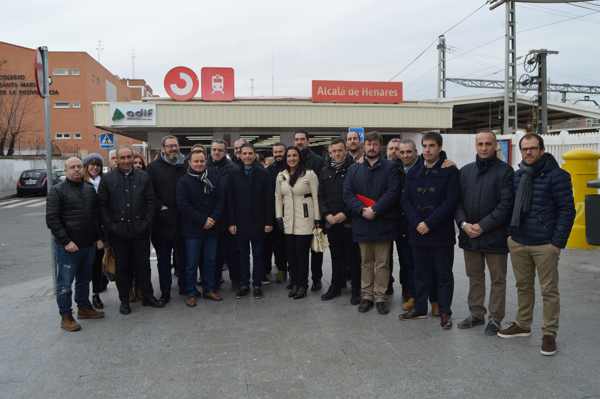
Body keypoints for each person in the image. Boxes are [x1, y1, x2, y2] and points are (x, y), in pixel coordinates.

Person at [498, 133, 575, 356]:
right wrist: (511, 236)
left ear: (541, 150)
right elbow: (511, 205)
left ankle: (549, 333)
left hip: (545, 244)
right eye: (525, 149)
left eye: (532, 148)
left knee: (549, 290)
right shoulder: (518, 175)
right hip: (519, 241)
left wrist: (556, 243)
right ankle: (522, 324)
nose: (528, 152)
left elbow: (567, 211)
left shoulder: (558, 176)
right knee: (523, 287)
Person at [454, 132, 514, 336]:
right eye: (480, 144)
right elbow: (457, 202)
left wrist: (482, 226)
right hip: (469, 235)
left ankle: (495, 319)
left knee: (498, 279)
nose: (484, 148)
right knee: (474, 276)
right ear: (475, 146)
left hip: (494, 236)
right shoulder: (465, 172)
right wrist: (463, 224)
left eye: (488, 144)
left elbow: (505, 205)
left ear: (495, 145)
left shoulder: (505, 172)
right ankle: (477, 314)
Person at [399, 132, 459, 330]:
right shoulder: (414, 171)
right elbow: (405, 200)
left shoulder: (450, 170)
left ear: (439, 147)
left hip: (440, 233)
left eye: (431, 146)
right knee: (420, 273)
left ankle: (444, 311)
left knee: (443, 275)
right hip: (417, 232)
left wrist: (429, 223)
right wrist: (417, 222)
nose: (427, 150)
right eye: (424, 146)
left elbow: (450, 202)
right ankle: (420, 307)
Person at [98, 146, 164, 315]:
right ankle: (125, 300)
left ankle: (147, 296)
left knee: (144, 266)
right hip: (118, 233)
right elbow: (102, 207)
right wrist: (112, 226)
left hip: (140, 232)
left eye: (129, 157)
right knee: (122, 268)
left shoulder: (143, 177)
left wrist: (146, 223)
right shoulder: (108, 179)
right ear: (117, 160)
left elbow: (151, 203)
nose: (127, 161)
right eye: (123, 157)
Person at [343, 131, 400, 315]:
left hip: (383, 221)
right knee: (365, 262)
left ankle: (381, 297)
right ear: (363, 145)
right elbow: (348, 194)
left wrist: (375, 210)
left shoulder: (390, 168)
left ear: (380, 146)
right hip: (362, 222)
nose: (372, 147)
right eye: (368, 144)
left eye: (375, 144)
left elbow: (393, 192)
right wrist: (361, 210)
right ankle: (366, 295)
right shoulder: (354, 169)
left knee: (382, 263)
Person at [46, 157, 104, 332]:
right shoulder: (57, 191)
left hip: (88, 245)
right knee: (65, 283)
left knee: (84, 280)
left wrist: (98, 238)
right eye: (73, 167)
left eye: (79, 166)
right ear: (66, 170)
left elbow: (96, 217)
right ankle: (66, 316)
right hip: (68, 247)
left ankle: (84, 308)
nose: (77, 169)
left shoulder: (89, 189)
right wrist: (66, 241)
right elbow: (52, 220)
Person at [176, 145, 224, 306]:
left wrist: (213, 218)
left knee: (210, 261)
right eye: (196, 161)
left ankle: (209, 289)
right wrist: (203, 220)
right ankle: (191, 292)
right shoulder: (183, 181)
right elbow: (183, 206)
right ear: (189, 162)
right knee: (191, 263)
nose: (199, 164)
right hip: (192, 230)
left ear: (206, 162)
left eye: (202, 161)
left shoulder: (213, 177)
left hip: (212, 228)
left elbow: (220, 200)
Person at [398, 138, 439, 314]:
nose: (406, 155)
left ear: (416, 152)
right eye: (402, 152)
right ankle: (414, 297)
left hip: (426, 225)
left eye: (409, 151)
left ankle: (435, 300)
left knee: (431, 266)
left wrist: (425, 222)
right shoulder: (394, 168)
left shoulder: (425, 167)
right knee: (408, 264)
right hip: (403, 225)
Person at [228, 144, 274, 299]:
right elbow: (231, 200)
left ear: (255, 155)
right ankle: (244, 284)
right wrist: (231, 222)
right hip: (240, 222)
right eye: (244, 153)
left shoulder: (263, 173)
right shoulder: (233, 173)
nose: (247, 156)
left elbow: (269, 199)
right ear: (239, 155)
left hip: (259, 222)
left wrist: (269, 222)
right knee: (242, 255)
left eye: (250, 153)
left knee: (258, 254)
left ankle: (257, 284)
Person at [319, 138, 361, 305]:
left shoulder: (355, 169)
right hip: (332, 222)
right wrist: (326, 214)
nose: (337, 154)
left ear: (345, 151)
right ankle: (336, 286)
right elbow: (320, 196)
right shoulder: (324, 171)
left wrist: (345, 213)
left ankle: (356, 290)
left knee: (353, 258)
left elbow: (357, 195)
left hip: (349, 221)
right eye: (333, 151)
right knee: (336, 257)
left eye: (340, 150)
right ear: (330, 153)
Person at [275, 146, 320, 300]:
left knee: (302, 255)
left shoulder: (309, 174)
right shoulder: (281, 176)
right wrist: (278, 217)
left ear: (299, 157)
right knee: (291, 256)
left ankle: (303, 285)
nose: (291, 158)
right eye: (289, 156)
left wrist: (317, 219)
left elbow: (316, 197)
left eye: (294, 155)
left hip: (305, 220)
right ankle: (294, 283)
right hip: (288, 221)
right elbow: (278, 197)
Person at [147, 135, 186, 304]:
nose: (173, 149)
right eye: (169, 146)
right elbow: (149, 193)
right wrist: (160, 207)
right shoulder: (153, 168)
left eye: (175, 146)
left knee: (183, 258)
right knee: (163, 260)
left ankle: (185, 287)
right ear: (163, 149)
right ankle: (165, 292)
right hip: (161, 223)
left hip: (183, 221)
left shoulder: (185, 165)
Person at [293, 131, 325, 291]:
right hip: (298, 211)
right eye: (297, 139)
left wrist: (320, 214)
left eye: (302, 139)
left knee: (316, 246)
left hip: (315, 208)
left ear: (308, 141)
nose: (299, 142)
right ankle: (299, 280)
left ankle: (317, 278)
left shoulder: (318, 161)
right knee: (300, 248)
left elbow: (321, 188)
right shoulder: (292, 160)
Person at [82, 153, 108, 310]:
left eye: (98, 165)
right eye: (91, 164)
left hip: (103, 229)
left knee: (98, 264)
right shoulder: (81, 183)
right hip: (87, 232)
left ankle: (96, 292)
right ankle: (88, 295)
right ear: (86, 166)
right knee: (88, 266)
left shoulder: (104, 182)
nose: (95, 167)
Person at [265, 143, 288, 283]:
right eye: (276, 152)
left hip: (289, 212)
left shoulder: (291, 168)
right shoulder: (268, 170)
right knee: (274, 244)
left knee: (286, 246)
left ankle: (284, 272)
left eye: (280, 151)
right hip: (273, 213)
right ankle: (277, 270)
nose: (278, 154)